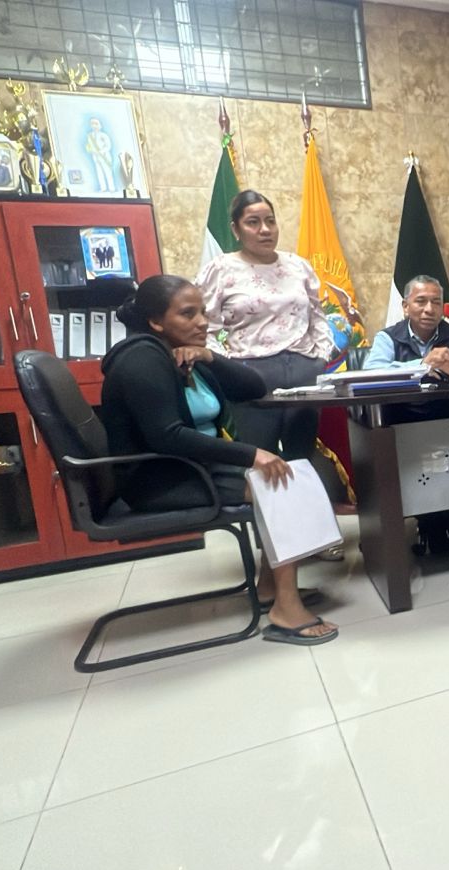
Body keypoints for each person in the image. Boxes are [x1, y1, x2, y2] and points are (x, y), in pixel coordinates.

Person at [100, 274, 338, 645]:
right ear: (156, 321)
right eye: (187, 314)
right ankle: (286, 609)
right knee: (283, 486)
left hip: (195, 469)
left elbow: (253, 387)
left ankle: (270, 589)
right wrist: (251, 454)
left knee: (288, 476)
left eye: (202, 312)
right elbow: (167, 436)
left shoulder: (179, 353)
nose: (201, 322)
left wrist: (208, 355)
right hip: (160, 480)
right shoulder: (141, 360)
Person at [197, 190, 344, 559]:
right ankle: (276, 550)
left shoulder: (298, 266)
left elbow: (318, 316)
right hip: (251, 376)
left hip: (303, 370)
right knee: (262, 463)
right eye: (253, 222)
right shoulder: (221, 269)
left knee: (302, 457)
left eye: (270, 221)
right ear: (236, 229)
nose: (264, 229)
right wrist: (229, 366)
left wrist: (319, 357)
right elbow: (205, 326)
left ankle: (313, 540)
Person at [364, 274, 449, 555]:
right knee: (423, 471)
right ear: (405, 306)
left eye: (436, 302)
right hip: (406, 421)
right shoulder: (388, 337)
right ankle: (431, 523)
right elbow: (371, 372)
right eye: (421, 301)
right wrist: (422, 364)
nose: (429, 309)